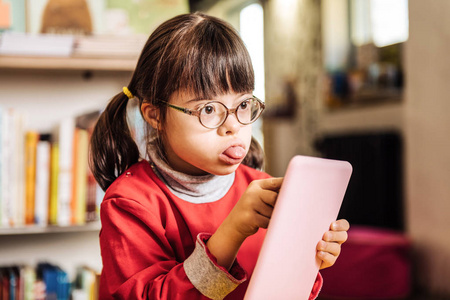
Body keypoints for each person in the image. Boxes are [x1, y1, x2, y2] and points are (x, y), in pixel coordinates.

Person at [90, 12, 350, 300]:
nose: (233, 126)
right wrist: (233, 230)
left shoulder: (259, 189)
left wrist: (305, 259)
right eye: (209, 109)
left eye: (242, 105)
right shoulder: (129, 202)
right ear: (155, 115)